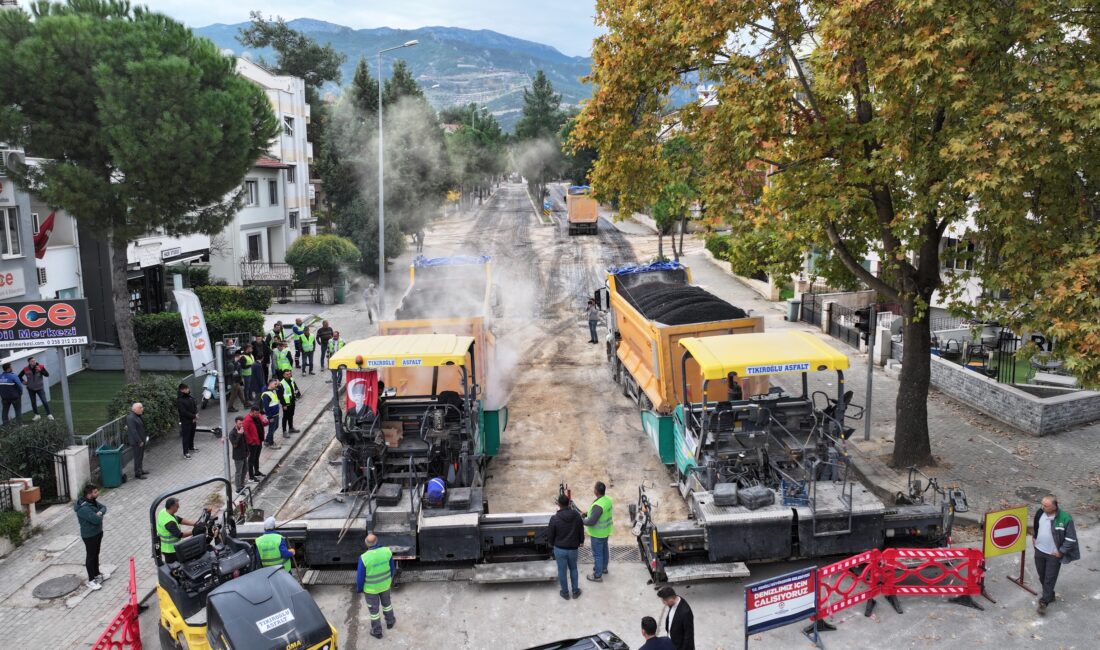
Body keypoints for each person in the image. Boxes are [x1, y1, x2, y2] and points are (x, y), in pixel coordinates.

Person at [1033, 494, 1080, 615]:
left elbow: (1071, 539)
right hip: (1039, 551)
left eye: (1046, 506)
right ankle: (1050, 595)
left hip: (1053, 555)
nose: (1042, 507)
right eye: (1042, 504)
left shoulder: (1065, 519)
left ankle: (1044, 602)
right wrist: (1034, 537)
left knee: (1049, 578)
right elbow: (1036, 526)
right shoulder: (1040, 512)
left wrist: (1061, 551)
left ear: (1054, 506)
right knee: (1042, 576)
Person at [356, 533, 397, 639]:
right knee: (387, 605)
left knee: (374, 612)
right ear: (377, 541)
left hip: (371, 590)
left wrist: (359, 589)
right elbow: (392, 569)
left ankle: (377, 631)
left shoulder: (364, 558)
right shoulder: (387, 551)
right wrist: (388, 580)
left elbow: (360, 577)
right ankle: (390, 622)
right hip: (385, 585)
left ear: (366, 544)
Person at [547, 493, 583, 600]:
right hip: (573, 549)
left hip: (560, 549)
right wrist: (581, 541)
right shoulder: (576, 515)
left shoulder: (554, 518)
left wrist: (552, 544)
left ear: (559, 504)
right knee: (573, 569)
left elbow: (550, 535)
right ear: (569, 503)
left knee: (562, 571)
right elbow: (581, 529)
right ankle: (575, 592)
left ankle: (565, 593)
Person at [74, 484, 108, 591]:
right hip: (89, 535)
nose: (97, 493)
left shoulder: (92, 501)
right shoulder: (83, 508)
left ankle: (97, 574)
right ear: (89, 494)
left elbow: (104, 507)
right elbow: (96, 520)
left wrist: (99, 513)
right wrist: (99, 515)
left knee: (96, 554)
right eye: (95, 492)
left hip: (97, 532)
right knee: (91, 556)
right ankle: (91, 580)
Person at [156, 498, 205, 563]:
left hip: (170, 548)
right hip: (170, 550)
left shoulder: (164, 511)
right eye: (177, 506)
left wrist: (195, 523)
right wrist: (194, 531)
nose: (179, 507)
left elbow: (178, 519)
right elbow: (179, 535)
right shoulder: (169, 522)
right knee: (175, 566)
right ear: (172, 507)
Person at [583, 481, 612, 582]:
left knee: (598, 555)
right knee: (604, 550)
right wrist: (587, 513)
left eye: (594, 488)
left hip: (597, 534)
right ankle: (604, 568)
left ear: (596, 491)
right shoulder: (607, 499)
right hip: (605, 532)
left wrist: (581, 520)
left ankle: (597, 576)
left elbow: (591, 522)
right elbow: (599, 513)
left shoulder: (598, 505)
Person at [243, 405, 267, 480]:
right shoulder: (247, 420)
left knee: (256, 457)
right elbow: (245, 432)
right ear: (251, 412)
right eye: (256, 413)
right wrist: (251, 441)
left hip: (259, 441)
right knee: (251, 459)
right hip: (252, 443)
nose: (257, 414)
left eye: (258, 413)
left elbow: (263, 424)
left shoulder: (258, 416)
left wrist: (266, 421)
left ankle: (256, 471)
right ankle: (251, 476)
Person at [176, 383, 199, 458]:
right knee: (186, 436)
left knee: (192, 434)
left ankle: (191, 447)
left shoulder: (190, 397)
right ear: (182, 390)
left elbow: (195, 406)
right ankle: (185, 452)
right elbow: (183, 412)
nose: (188, 389)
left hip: (193, 420)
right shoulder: (180, 400)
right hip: (186, 421)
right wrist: (194, 416)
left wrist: (195, 415)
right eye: (186, 389)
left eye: (187, 388)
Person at [126, 403, 148, 479]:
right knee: (137, 457)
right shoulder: (130, 418)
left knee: (140, 456)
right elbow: (133, 431)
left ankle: (140, 470)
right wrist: (139, 441)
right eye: (140, 408)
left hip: (141, 440)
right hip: (136, 442)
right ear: (135, 409)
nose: (142, 409)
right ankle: (137, 473)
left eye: (142, 407)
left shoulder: (138, 416)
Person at [259, 379, 282, 449]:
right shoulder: (266, 395)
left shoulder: (272, 391)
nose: (276, 385)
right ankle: (271, 443)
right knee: (271, 429)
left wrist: (279, 385)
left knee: (275, 427)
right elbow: (266, 407)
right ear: (270, 384)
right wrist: (270, 416)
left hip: (275, 414)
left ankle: (267, 440)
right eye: (275, 384)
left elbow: (281, 394)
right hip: (272, 415)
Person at [228, 416, 250, 490]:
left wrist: (247, 451)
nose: (241, 425)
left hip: (244, 454)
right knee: (239, 472)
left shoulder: (242, 429)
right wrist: (239, 434)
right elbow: (235, 445)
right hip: (238, 456)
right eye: (240, 423)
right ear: (236, 423)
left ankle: (242, 484)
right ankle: (238, 488)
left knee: (245, 470)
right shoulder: (232, 433)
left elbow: (245, 442)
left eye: (242, 423)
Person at [279, 369, 302, 437]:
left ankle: (291, 428)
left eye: (289, 374)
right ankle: (284, 431)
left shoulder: (292, 380)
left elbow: (295, 387)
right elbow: (280, 396)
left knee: (291, 415)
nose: (289, 375)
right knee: (285, 417)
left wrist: (297, 392)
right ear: (283, 375)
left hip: (292, 401)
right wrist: (284, 405)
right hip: (286, 403)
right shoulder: (281, 384)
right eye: (287, 374)